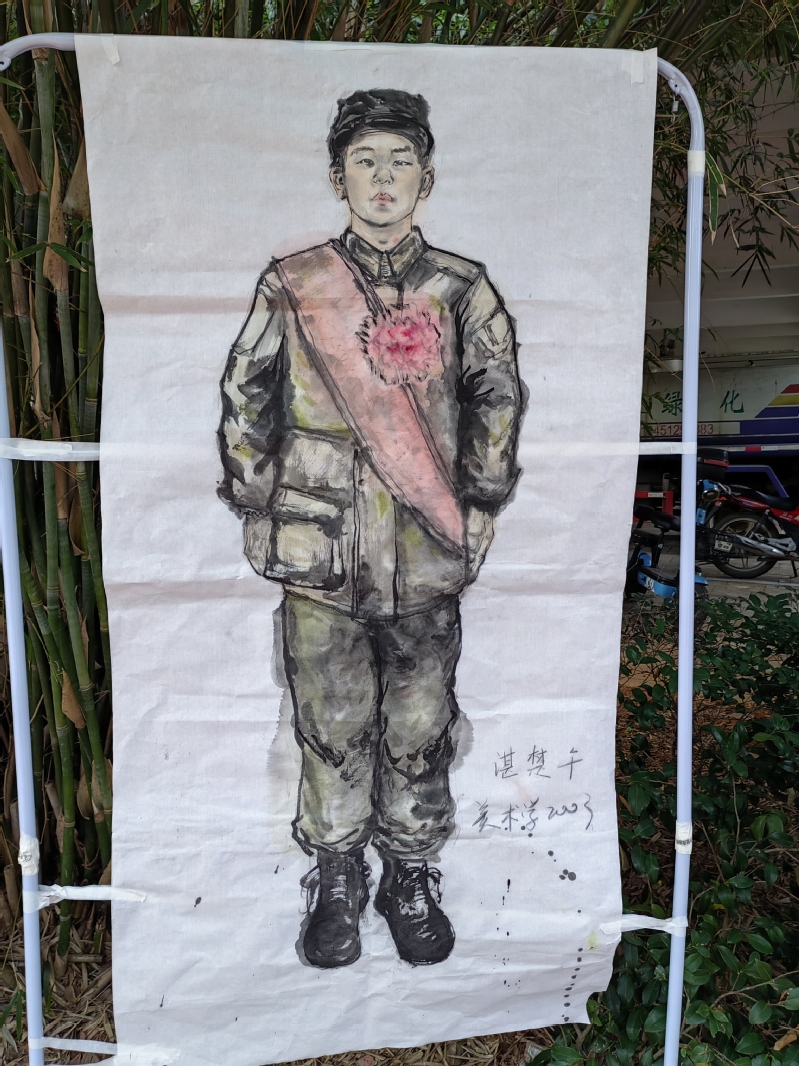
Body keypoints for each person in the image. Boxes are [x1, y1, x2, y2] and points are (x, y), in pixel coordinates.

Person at [218, 88, 524, 969]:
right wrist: (256, 502)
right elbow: (246, 392)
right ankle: (338, 875)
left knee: (420, 726)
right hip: (317, 543)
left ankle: (410, 873)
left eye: (399, 162)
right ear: (336, 177)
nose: (382, 178)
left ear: (427, 178)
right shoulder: (293, 282)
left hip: (428, 547)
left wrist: (480, 502)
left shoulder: (461, 287)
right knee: (330, 723)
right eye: (364, 161)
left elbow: (495, 399)